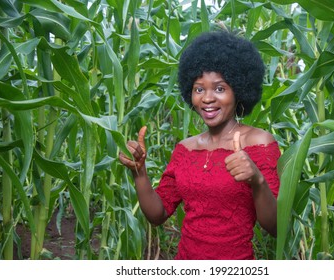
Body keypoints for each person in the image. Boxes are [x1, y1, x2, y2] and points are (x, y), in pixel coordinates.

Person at [119, 31, 281, 260]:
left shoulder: (259, 144)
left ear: (239, 91)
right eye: (198, 89)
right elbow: (158, 214)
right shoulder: (185, 150)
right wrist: (139, 173)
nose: (207, 98)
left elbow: (275, 227)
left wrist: (257, 180)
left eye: (219, 88)